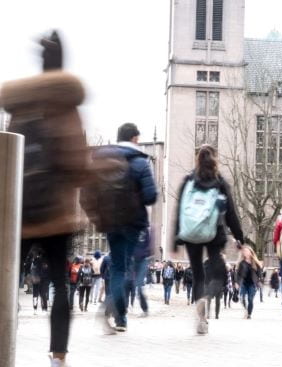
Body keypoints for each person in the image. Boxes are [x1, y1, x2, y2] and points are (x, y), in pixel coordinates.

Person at [2, 29, 88, 366]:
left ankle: (3, 339)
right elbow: (76, 164)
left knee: (7, 280)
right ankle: (58, 356)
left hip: (21, 214)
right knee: (60, 287)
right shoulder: (66, 105)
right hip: (57, 216)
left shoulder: (21, 106)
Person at [88, 123, 158, 332]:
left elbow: (89, 192)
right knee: (123, 269)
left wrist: (97, 215)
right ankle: (108, 308)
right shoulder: (140, 163)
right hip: (132, 222)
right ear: (135, 138)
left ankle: (121, 319)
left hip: (110, 221)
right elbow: (151, 195)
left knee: (118, 267)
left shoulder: (102, 161)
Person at [174, 144, 244, 335]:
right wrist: (239, 237)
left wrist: (176, 235)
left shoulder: (189, 179)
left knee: (198, 274)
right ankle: (208, 296)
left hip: (191, 233)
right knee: (217, 270)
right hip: (214, 231)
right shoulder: (220, 181)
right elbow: (231, 213)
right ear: (215, 159)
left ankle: (201, 317)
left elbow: (180, 208)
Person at [235, 246, 263, 319]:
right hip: (243, 283)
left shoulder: (255, 262)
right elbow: (238, 274)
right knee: (242, 298)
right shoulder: (241, 263)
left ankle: (249, 314)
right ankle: (246, 310)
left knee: (250, 299)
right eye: (244, 252)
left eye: (247, 251)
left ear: (251, 252)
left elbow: (260, 272)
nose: (246, 253)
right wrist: (237, 282)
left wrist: (260, 281)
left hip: (252, 284)